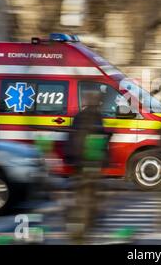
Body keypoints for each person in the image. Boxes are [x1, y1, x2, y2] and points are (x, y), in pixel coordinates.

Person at [65, 89, 109, 243]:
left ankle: (78, 222)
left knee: (80, 193)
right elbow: (101, 139)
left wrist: (70, 158)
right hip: (92, 161)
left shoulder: (79, 116)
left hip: (79, 161)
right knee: (91, 191)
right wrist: (104, 159)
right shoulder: (97, 117)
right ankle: (89, 220)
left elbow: (72, 138)